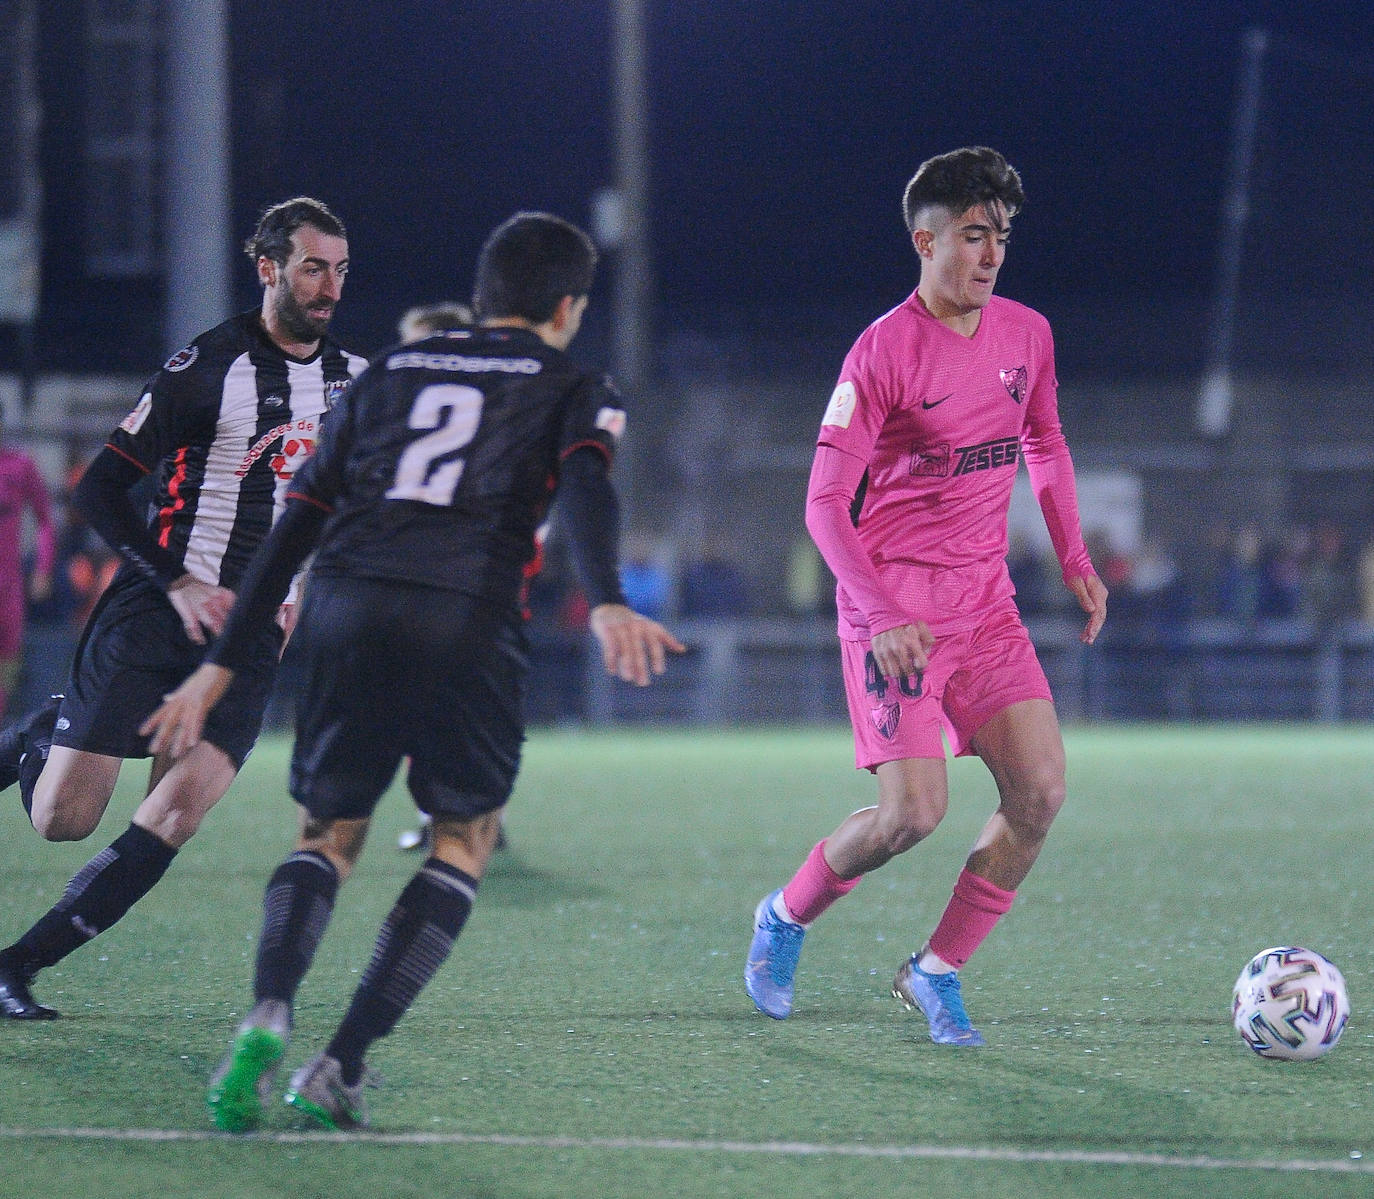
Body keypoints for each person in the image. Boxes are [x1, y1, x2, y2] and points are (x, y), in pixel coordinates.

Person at [141, 211, 684, 1132]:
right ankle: (338, 1064)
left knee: (328, 834)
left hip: (346, 605)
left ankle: (270, 1006)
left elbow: (298, 518)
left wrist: (219, 666)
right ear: (567, 307)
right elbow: (589, 482)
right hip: (465, 611)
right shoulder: (572, 380)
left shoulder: (384, 371)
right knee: (463, 838)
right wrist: (606, 598)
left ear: (481, 296)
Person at [744, 147, 1107, 1045]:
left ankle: (935, 970)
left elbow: (1047, 444)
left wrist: (1073, 555)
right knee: (914, 816)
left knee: (1042, 788)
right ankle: (785, 915)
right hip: (893, 608)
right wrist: (881, 612)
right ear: (925, 238)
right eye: (974, 236)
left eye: (1002, 238)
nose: (991, 255)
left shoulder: (1027, 334)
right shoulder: (881, 352)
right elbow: (824, 504)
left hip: (986, 605)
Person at [0, 197, 365, 1021]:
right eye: (313, 266)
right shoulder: (208, 366)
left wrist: (301, 590)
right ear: (268, 268)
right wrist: (178, 581)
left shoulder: (353, 382)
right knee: (64, 818)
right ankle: (39, 731)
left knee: (176, 809)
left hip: (250, 642)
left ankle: (16, 965)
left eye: (340, 269)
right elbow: (96, 489)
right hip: (157, 612)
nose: (329, 286)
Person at [391, 300, 474, 854]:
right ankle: (459, 811)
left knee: (428, 706)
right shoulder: (505, 401)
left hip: (435, 580)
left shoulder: (403, 404)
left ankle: (454, 813)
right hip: (467, 578)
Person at [0, 409, 55, 720]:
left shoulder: (20, 466)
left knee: (6, 671)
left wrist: (43, 569)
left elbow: (46, 520)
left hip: (8, 588)